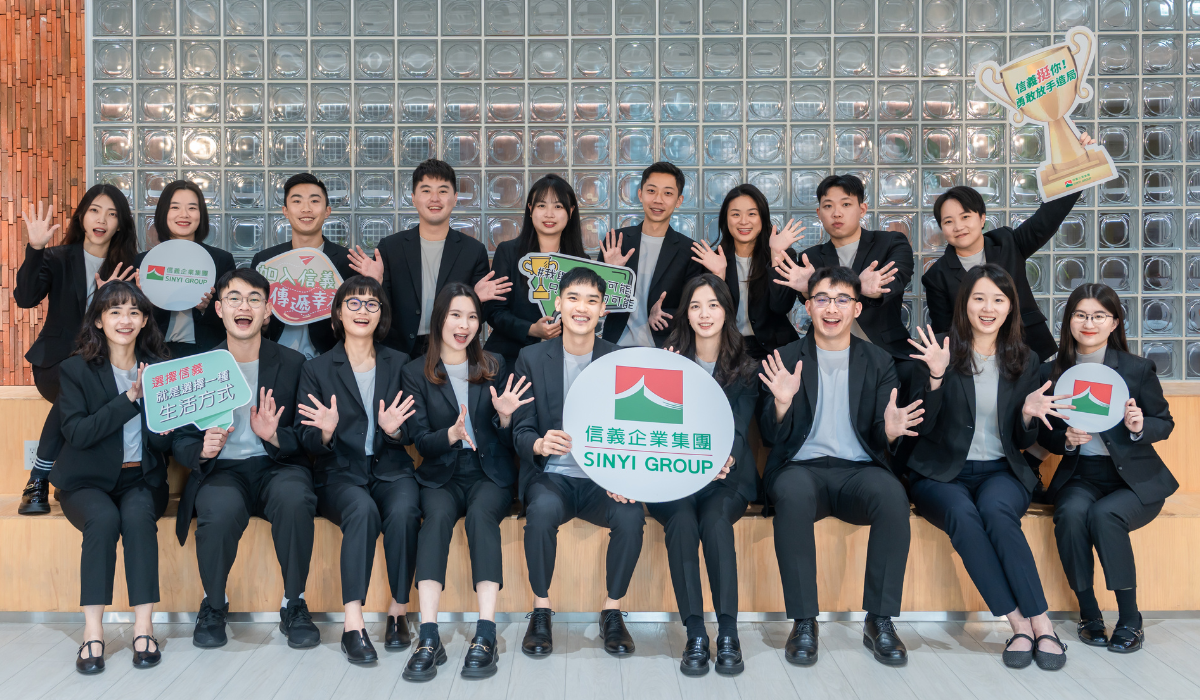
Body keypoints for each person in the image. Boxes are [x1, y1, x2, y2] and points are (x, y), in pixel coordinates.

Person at [905, 264, 1075, 671]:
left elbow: (1022, 440)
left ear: (1010, 307)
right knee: (963, 517)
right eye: (979, 298)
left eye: (998, 300)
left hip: (1001, 471)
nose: (988, 308)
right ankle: (1018, 623)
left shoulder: (1025, 359)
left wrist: (1028, 415)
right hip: (941, 473)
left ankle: (1042, 623)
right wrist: (935, 377)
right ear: (964, 303)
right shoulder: (939, 349)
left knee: (998, 514)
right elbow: (921, 427)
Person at [758, 266, 922, 667]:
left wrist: (891, 432)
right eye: (822, 299)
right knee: (792, 495)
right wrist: (781, 404)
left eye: (842, 300)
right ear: (808, 307)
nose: (832, 309)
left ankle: (879, 620)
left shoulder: (879, 360)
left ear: (857, 309)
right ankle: (804, 622)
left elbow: (881, 433)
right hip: (801, 468)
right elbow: (768, 434)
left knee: (892, 497)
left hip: (859, 471)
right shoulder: (786, 358)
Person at [169, 268, 319, 650]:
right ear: (219, 309)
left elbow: (306, 435)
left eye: (254, 299)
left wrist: (274, 435)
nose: (244, 307)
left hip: (278, 466)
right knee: (218, 513)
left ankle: (294, 604)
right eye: (234, 298)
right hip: (222, 470)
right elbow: (181, 439)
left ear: (267, 310)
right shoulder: (198, 367)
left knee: (295, 499)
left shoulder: (294, 363)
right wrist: (203, 449)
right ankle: (214, 604)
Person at [400, 284, 531, 681]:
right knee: (436, 520)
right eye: (456, 315)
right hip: (441, 474)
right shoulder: (414, 372)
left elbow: (508, 438)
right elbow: (420, 440)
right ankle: (428, 637)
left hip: (488, 473)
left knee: (481, 518)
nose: (464, 325)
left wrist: (505, 418)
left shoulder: (494, 364)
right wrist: (451, 435)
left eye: (472, 317)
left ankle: (485, 633)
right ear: (439, 319)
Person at [511, 267, 644, 658]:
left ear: (603, 310)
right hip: (552, 477)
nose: (581, 307)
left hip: (602, 481)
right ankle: (541, 610)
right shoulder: (531, 358)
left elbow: (635, 431)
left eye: (591, 300)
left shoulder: (619, 359)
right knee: (541, 513)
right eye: (573, 298)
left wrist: (624, 478)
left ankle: (612, 611)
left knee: (631, 516)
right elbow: (520, 429)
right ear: (558, 303)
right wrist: (539, 443)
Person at [1040, 283, 1177, 654]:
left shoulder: (1136, 369)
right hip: (1081, 476)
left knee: (1105, 516)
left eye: (1099, 316)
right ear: (1069, 321)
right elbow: (1042, 433)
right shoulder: (1052, 371)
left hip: (1134, 481)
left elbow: (1164, 423)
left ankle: (1130, 617)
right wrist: (1066, 440)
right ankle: (1089, 613)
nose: (1089, 323)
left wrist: (1139, 426)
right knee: (1071, 514)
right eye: (1081, 315)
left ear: (1114, 322)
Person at [295, 275, 420, 664]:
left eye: (371, 303)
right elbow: (305, 437)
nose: (362, 310)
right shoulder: (316, 368)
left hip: (391, 467)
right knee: (362, 511)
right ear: (337, 312)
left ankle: (399, 610)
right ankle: (353, 623)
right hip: (339, 472)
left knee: (404, 510)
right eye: (353, 302)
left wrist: (395, 430)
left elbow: (414, 427)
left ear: (381, 314)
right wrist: (325, 433)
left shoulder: (400, 363)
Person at [51, 280, 172, 673]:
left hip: (140, 479)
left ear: (144, 321)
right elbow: (78, 433)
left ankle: (144, 628)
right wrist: (130, 399)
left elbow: (164, 440)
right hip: (85, 482)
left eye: (134, 312)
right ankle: (93, 631)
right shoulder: (75, 370)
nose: (125, 319)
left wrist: (166, 423)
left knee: (138, 519)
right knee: (102, 521)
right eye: (115, 311)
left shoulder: (159, 370)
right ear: (99, 321)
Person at [653, 274, 759, 676]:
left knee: (715, 523)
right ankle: (695, 633)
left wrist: (724, 459)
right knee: (681, 522)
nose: (704, 314)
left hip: (725, 478)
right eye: (695, 306)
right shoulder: (667, 360)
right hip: (673, 478)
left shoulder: (746, 367)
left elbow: (738, 428)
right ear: (686, 314)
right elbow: (653, 428)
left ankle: (728, 633)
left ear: (726, 311)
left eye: (713, 305)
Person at [15, 186, 139, 515]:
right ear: (82, 216)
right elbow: (25, 298)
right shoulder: (57, 257)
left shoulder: (129, 266)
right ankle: (40, 477)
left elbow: (138, 321)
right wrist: (36, 248)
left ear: (120, 224)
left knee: (84, 386)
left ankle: (50, 479)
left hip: (106, 364)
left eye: (112, 214)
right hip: (56, 362)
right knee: (75, 384)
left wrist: (109, 298)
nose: (102, 220)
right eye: (95, 210)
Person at [921, 132, 1094, 362]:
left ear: (982, 218)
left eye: (965, 217)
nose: (958, 227)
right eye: (948, 222)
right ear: (942, 228)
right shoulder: (936, 276)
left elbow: (1047, 218)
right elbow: (945, 331)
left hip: (1028, 350)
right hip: (975, 361)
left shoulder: (1007, 242)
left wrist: (1077, 164)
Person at [348, 159, 511, 357]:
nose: (435, 198)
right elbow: (379, 311)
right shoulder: (390, 247)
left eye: (443, 191)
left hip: (451, 351)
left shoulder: (473, 250)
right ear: (413, 198)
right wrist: (376, 283)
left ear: (455, 198)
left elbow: (480, 318)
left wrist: (475, 299)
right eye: (426, 191)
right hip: (398, 353)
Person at [774, 174, 914, 361]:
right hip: (825, 354)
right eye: (828, 206)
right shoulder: (811, 257)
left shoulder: (891, 243)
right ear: (819, 213)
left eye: (846, 204)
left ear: (862, 209)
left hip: (885, 352)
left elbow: (897, 280)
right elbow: (809, 301)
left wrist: (871, 290)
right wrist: (807, 290)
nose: (836, 213)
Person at [484, 174, 592, 368]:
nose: (549, 214)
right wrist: (531, 329)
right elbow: (495, 312)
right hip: (511, 359)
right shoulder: (508, 252)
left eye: (558, 206)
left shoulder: (581, 261)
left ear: (570, 211)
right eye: (541, 205)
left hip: (563, 360)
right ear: (530, 209)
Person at [597, 161, 708, 348]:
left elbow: (693, 306)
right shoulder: (617, 242)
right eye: (651, 191)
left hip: (665, 347)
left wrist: (666, 315)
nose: (658, 200)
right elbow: (596, 301)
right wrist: (612, 273)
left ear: (679, 200)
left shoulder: (689, 250)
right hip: (616, 345)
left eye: (668, 193)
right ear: (640, 194)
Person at [251, 173, 355, 359]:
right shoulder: (265, 261)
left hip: (329, 361)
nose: (306, 209)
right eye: (297, 201)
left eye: (314, 201)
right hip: (276, 359)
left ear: (327, 211)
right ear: (285, 211)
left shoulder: (348, 261)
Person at [135, 180, 237, 358]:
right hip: (154, 353)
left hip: (208, 354)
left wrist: (207, 308)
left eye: (192, 208)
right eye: (175, 207)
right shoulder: (142, 263)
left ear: (201, 214)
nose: (184, 214)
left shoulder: (221, 260)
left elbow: (234, 312)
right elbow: (130, 319)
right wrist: (144, 301)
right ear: (163, 213)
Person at [710, 184, 800, 360]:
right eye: (735, 214)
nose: (744, 221)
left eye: (752, 214)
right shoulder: (714, 260)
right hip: (728, 350)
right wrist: (718, 275)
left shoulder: (783, 255)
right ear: (725, 219)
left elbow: (781, 306)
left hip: (775, 350)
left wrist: (776, 257)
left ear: (763, 218)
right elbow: (710, 314)